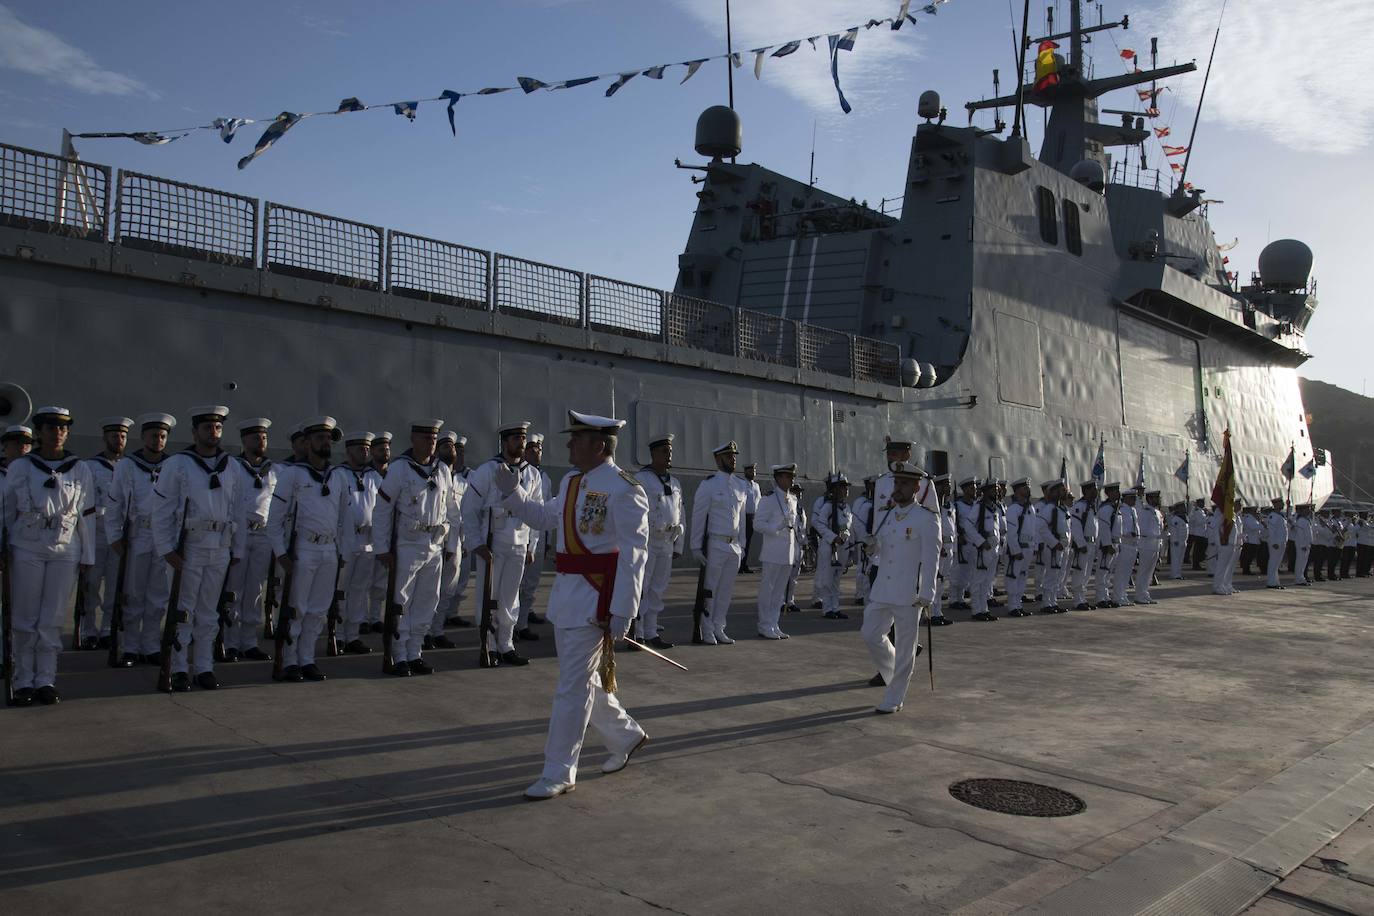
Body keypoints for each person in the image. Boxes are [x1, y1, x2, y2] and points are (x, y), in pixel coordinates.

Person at [492, 410, 650, 801]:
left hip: (596, 601)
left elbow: (634, 555)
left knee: (570, 689)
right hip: (567, 597)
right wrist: (513, 494)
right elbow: (546, 518)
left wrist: (624, 610)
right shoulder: (571, 481)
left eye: (575, 439)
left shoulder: (625, 488)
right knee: (582, 682)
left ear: (598, 445)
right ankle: (625, 735)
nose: (567, 445)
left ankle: (559, 771)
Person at [3, 407, 96, 705]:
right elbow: (6, 511)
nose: (58, 432)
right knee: (24, 617)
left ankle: (45, 679)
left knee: (53, 618)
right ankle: (23, 680)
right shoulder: (21, 467)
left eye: (63, 428)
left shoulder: (79, 468)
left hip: (65, 548)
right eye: (51, 428)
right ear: (40, 432)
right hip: (27, 545)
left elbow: (87, 514)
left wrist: (88, 555)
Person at [151, 405, 247, 692]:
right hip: (188, 547)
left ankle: (204, 666)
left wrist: (237, 549)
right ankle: (179, 667)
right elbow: (161, 509)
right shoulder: (178, 464)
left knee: (209, 612)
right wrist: (167, 549)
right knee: (183, 611)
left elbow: (240, 509)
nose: (213, 432)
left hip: (220, 546)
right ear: (195, 432)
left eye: (217, 428)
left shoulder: (232, 466)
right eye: (207, 428)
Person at [372, 419, 463, 676]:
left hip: (434, 543)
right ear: (413, 440)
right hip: (407, 544)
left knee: (427, 600)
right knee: (401, 600)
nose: (431, 443)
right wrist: (382, 548)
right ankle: (398, 655)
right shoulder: (400, 468)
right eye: (426, 439)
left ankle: (415, 653)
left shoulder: (442, 470)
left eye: (434, 439)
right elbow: (382, 510)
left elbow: (452, 511)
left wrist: (450, 544)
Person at [267, 417, 348, 682]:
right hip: (302, 548)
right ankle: (289, 660)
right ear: (308, 442)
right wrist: (281, 552)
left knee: (318, 609)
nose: (325, 442)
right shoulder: (293, 474)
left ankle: (307, 658)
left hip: (328, 549)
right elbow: (275, 517)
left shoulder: (338, 476)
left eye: (328, 438)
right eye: (319, 438)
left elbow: (345, 518)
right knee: (296, 608)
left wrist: (342, 552)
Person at [861, 462, 939, 714]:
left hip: (909, 592)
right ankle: (893, 673)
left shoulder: (926, 518)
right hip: (883, 588)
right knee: (870, 633)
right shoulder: (887, 514)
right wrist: (873, 549)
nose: (899, 488)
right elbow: (883, 552)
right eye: (896, 483)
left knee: (906, 647)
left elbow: (931, 558)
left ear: (917, 487)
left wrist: (927, 592)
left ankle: (894, 697)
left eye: (904, 483)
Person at [464, 421, 540, 666]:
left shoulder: (532, 474)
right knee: (489, 597)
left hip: (519, 542)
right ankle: (489, 645)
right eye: (516, 438)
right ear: (505, 442)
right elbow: (469, 509)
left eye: (523, 438)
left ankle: (506, 644)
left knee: (510, 598)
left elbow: (537, 512)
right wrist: (476, 543)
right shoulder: (487, 470)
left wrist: (532, 546)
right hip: (492, 543)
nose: (521, 442)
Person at [224, 418, 277, 664]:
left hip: (263, 535)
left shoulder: (273, 470)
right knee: (234, 589)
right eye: (256, 437)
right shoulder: (232, 466)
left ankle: (249, 641)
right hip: (240, 533)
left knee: (255, 590)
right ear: (244, 440)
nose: (261, 441)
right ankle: (230, 641)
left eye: (264, 437)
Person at [80, 417, 131, 650]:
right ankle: (88, 630)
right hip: (96, 533)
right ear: (105, 438)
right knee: (90, 586)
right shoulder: (90, 466)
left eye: (122, 436)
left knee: (114, 585)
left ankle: (108, 630)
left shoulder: (130, 467)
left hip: (120, 534)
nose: (118, 440)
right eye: (114, 436)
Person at [690, 441, 749, 644]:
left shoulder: (741, 486)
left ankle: (719, 626)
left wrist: (741, 545)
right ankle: (706, 629)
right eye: (728, 456)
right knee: (710, 590)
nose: (733, 459)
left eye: (734, 455)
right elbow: (698, 516)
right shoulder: (709, 485)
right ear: (718, 459)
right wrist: (695, 546)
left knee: (725, 592)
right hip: (714, 543)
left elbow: (741, 519)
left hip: (733, 546)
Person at [633, 433, 682, 649]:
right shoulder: (642, 479)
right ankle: (637, 632)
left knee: (658, 588)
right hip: (648, 542)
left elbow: (681, 513)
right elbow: (635, 512)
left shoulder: (675, 482)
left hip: (667, 542)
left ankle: (651, 631)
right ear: (653, 453)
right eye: (664, 451)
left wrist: (678, 544)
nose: (668, 454)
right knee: (642, 587)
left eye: (670, 451)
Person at [335, 431, 378, 654]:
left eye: (367, 448)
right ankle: (338, 635)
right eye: (360, 448)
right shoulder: (339, 474)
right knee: (342, 590)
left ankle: (353, 635)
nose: (365, 451)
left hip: (368, 541)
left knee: (360, 590)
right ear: (348, 451)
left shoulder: (374, 476)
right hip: (346, 540)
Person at [515, 432, 555, 640]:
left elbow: (546, 511)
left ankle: (522, 623)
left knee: (530, 584)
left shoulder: (542, 478)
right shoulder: (515, 473)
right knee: (514, 585)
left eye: (538, 449)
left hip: (537, 539)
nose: (536, 452)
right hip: (517, 536)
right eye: (531, 449)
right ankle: (510, 626)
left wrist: (544, 542)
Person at [754, 463, 800, 639]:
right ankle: (764, 625)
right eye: (788, 476)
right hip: (772, 551)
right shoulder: (769, 499)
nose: (791, 479)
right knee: (768, 589)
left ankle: (774, 623)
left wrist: (795, 550)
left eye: (792, 476)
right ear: (778, 478)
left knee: (780, 592)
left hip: (787, 552)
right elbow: (757, 524)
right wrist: (776, 527)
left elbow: (794, 528)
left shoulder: (793, 499)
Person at [812, 473, 854, 620]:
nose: (846, 490)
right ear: (835, 490)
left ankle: (835, 608)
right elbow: (819, 524)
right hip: (829, 546)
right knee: (828, 579)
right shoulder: (828, 506)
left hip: (842, 546)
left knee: (836, 580)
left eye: (846, 487)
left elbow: (848, 527)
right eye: (842, 487)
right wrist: (833, 537)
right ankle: (827, 608)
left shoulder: (846, 507)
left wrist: (845, 539)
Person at [365, 431, 393, 633]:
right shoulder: (365, 475)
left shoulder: (393, 475)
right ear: (372, 452)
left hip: (385, 535)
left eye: (387, 448)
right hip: (366, 536)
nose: (385, 452)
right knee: (362, 581)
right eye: (380, 449)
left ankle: (375, 617)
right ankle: (359, 619)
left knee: (380, 583)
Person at [963, 480, 1002, 621]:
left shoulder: (994, 507)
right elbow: (968, 526)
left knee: (987, 581)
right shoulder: (978, 507)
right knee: (978, 580)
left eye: (997, 490)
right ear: (985, 492)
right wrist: (980, 541)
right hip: (982, 549)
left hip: (993, 548)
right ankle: (976, 610)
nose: (997, 492)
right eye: (993, 490)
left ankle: (984, 608)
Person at [1003, 479, 1036, 617]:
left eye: (1028, 487)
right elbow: (1011, 532)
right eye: (1024, 488)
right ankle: (1012, 606)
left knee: (1022, 577)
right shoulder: (1013, 509)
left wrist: (1034, 547)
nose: (1027, 490)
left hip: (1028, 549)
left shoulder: (1030, 508)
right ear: (1017, 491)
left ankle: (1018, 604)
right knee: (1013, 577)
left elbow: (1034, 529)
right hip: (1017, 550)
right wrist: (1016, 550)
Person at [1069, 480, 1099, 609]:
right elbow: (1075, 526)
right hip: (1084, 544)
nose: (1096, 492)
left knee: (1086, 574)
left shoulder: (1092, 506)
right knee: (1080, 572)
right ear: (1086, 491)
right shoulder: (1079, 506)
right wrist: (1081, 543)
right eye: (1093, 489)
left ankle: (1082, 597)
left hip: (1091, 543)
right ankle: (1077, 600)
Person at [1134, 490, 1164, 604]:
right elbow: (1143, 529)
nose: (1158, 499)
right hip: (1146, 545)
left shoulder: (1157, 512)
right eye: (1156, 497)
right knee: (1143, 571)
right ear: (1150, 499)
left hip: (1155, 545)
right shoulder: (1144, 511)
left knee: (1150, 572)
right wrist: (1157, 535)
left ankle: (1144, 593)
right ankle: (1139, 595)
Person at [1112, 487, 1141, 607]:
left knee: (1127, 572)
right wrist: (1128, 534)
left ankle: (1123, 595)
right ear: (1126, 499)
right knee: (1121, 572)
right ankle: (1118, 596)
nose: (1134, 500)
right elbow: (1120, 527)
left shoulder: (1132, 510)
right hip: (1125, 543)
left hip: (1133, 544)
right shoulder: (1122, 510)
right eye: (1132, 498)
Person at [1095, 483, 1123, 607]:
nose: (1117, 493)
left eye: (1118, 491)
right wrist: (1108, 544)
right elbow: (1104, 528)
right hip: (1107, 545)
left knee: (1108, 573)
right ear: (1108, 493)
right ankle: (1100, 598)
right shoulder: (1106, 508)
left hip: (1115, 544)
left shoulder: (1115, 508)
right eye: (1114, 491)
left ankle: (1106, 596)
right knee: (1102, 572)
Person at [1209, 501, 1239, 595]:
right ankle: (1217, 586)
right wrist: (1219, 543)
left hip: (1230, 544)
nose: (1240, 506)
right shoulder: (1224, 515)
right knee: (1221, 567)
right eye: (1238, 504)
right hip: (1225, 544)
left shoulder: (1231, 515)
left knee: (1226, 567)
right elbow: (1217, 528)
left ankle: (1222, 585)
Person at [738, 462, 762, 574]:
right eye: (750, 471)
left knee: (748, 542)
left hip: (753, 516)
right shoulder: (741, 484)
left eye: (754, 471)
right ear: (745, 472)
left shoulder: (756, 486)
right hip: (743, 516)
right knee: (741, 541)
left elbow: (759, 501)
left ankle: (744, 564)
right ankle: (739, 564)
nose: (753, 473)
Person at [1264, 498, 1290, 589]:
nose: (1282, 504)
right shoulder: (1273, 516)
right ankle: (1271, 582)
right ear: (1276, 504)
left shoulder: (1280, 515)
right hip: (1276, 543)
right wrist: (1274, 542)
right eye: (1281, 503)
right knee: (1273, 562)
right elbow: (1271, 530)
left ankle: (1275, 582)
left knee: (1276, 563)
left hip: (1281, 542)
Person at [1292, 504, 1313, 586]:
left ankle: (1301, 578)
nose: (1308, 511)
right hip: (1302, 544)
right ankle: (1298, 579)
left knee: (1303, 562)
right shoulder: (1301, 520)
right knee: (1300, 562)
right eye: (1307, 509)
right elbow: (1300, 534)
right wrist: (1303, 545)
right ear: (1302, 510)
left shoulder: (1305, 519)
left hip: (1306, 544)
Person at [1167, 502, 1189, 580]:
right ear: (1178, 508)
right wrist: (1175, 540)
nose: (1184, 508)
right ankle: (1174, 574)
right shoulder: (1175, 518)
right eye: (1182, 507)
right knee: (1176, 558)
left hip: (1183, 541)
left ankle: (1178, 573)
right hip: (1177, 542)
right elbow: (1173, 530)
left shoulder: (1184, 517)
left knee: (1180, 559)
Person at [1187, 498, 1209, 570]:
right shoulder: (1197, 512)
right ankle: (1196, 565)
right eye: (1202, 503)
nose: (1203, 504)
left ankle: (1197, 563)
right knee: (1198, 550)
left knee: (1200, 550)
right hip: (1199, 533)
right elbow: (1199, 522)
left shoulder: (1201, 511)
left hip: (1202, 533)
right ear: (1199, 503)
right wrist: (1207, 518)